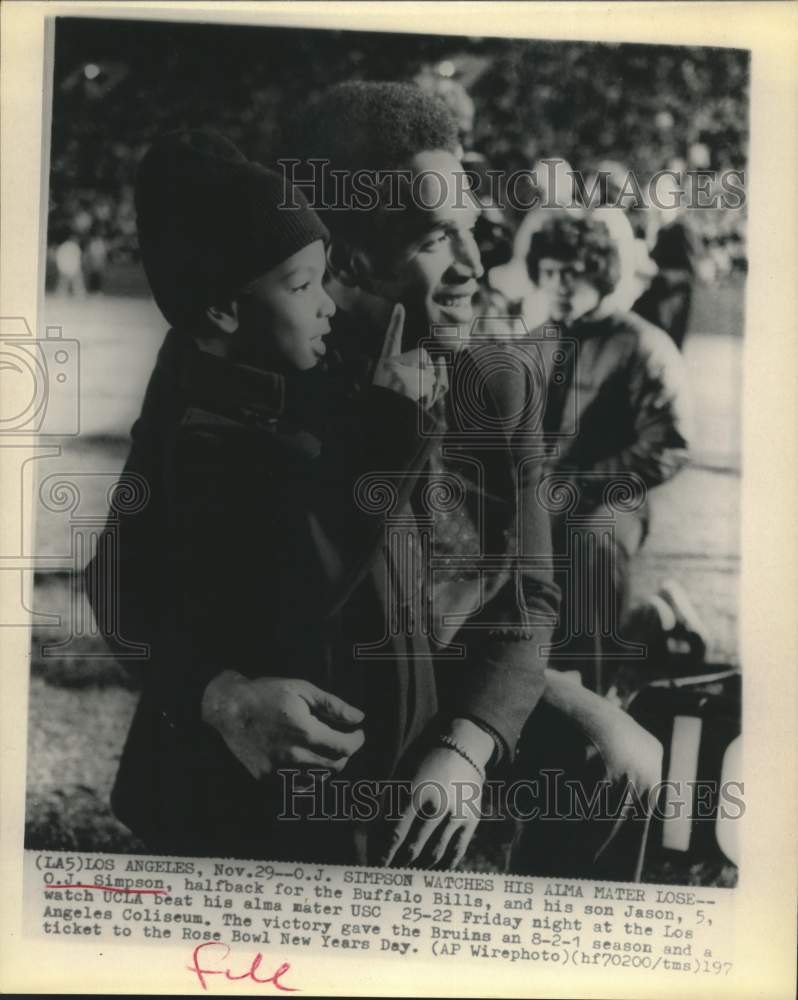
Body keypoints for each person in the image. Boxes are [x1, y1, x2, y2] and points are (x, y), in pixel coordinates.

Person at [84, 129, 446, 862]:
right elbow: (313, 570)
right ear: (223, 310)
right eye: (304, 286)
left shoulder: (250, 372)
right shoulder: (207, 434)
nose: (330, 308)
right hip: (259, 802)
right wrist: (393, 424)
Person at [524, 211, 691, 691]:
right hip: (542, 491)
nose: (558, 285)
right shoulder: (532, 343)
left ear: (600, 274)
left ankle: (592, 697)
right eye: (550, 273)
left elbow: (670, 443)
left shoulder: (643, 345)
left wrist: (582, 483)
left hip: (615, 496)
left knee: (592, 542)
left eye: (572, 273)